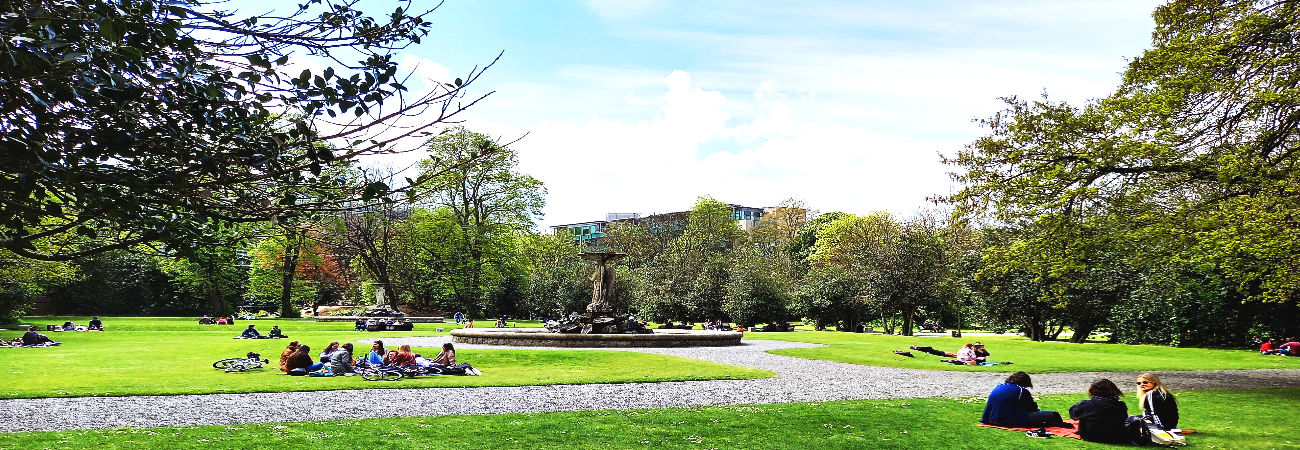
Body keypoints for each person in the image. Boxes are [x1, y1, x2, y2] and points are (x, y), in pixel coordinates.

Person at [980, 371, 1064, 427]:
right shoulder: (1021, 390)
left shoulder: (999, 387)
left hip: (991, 418)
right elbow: (1032, 408)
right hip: (1010, 420)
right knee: (1052, 414)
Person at [1069, 379, 1129, 443]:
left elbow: (1073, 414)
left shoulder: (1087, 404)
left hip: (1092, 436)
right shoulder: (1121, 405)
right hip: (1115, 436)